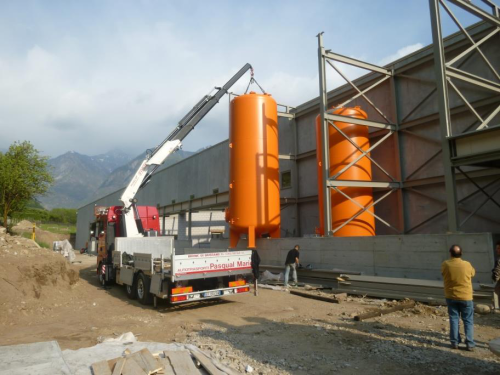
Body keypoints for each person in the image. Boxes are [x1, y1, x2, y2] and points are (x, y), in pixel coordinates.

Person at [441, 244, 476, 351]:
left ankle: (454, 342)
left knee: (454, 319)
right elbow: (472, 274)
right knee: (468, 320)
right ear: (461, 253)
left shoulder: (445, 264)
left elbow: (443, 274)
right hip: (466, 297)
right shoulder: (467, 264)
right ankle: (470, 344)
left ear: (450, 253)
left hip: (451, 296)